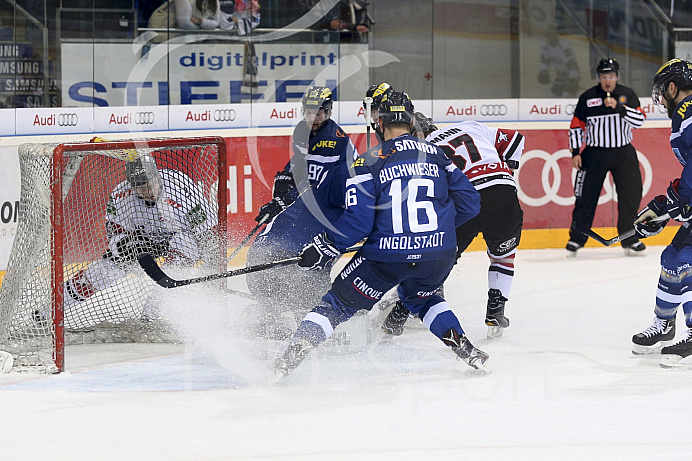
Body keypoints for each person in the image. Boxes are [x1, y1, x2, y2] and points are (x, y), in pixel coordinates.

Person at [273, 91, 485, 381]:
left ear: (379, 123)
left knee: (336, 304)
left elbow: (358, 223)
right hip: (438, 254)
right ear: (411, 121)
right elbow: (471, 204)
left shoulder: (366, 161)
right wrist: (438, 228)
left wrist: (325, 246)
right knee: (421, 299)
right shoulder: (437, 155)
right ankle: (466, 348)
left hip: (387, 257)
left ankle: (288, 359)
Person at [382, 114, 525, 339]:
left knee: (437, 261)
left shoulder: (424, 151)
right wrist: (508, 170)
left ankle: (401, 311)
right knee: (503, 256)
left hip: (466, 203)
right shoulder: (471, 126)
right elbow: (515, 139)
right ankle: (496, 310)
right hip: (503, 194)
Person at [245, 86, 358, 338]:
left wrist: (285, 199)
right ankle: (271, 312)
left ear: (328, 112)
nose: (312, 119)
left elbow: (318, 185)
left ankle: (314, 321)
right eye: (308, 113)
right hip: (308, 207)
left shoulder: (336, 142)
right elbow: (297, 167)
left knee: (310, 265)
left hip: (331, 210)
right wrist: (282, 188)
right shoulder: (302, 131)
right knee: (266, 251)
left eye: (318, 114)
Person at [59, 153, 218, 327]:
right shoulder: (121, 195)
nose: (149, 192)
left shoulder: (181, 188)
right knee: (104, 270)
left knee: (180, 254)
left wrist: (212, 270)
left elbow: (208, 234)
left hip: (181, 236)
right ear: (132, 186)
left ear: (157, 176)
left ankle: (151, 317)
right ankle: (50, 310)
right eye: (142, 188)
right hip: (143, 241)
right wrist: (128, 245)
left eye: (151, 185)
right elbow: (116, 236)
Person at [631, 58, 692, 367]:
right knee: (672, 257)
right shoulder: (686, 113)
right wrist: (667, 204)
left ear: (672, 87)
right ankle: (664, 324)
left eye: (661, 90)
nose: (660, 98)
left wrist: (677, 203)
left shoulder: (689, 110)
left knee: (687, 260)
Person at [566, 58, 647, 256]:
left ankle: (630, 238)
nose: (607, 81)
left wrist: (619, 108)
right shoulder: (588, 97)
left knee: (631, 195)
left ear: (617, 76)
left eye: (611, 76)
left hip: (623, 153)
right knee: (585, 197)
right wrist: (575, 152)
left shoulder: (627, 95)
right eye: (604, 77)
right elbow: (576, 126)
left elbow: (640, 120)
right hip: (594, 154)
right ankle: (576, 239)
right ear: (599, 78)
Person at [537, 29, 580, 98]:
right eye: (548, 34)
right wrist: (543, 72)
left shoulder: (564, 46)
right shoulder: (545, 46)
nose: (550, 36)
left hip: (570, 79)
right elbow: (545, 61)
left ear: (556, 35)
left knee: (566, 96)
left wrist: (573, 80)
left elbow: (572, 63)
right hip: (559, 78)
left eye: (552, 34)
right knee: (553, 97)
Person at [148, 0, 220, 41]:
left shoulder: (214, 2)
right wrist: (206, 26)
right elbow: (184, 24)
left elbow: (216, 22)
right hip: (165, 33)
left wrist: (200, 21)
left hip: (186, 36)